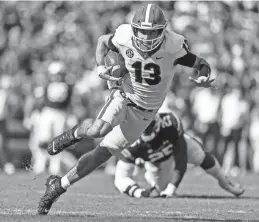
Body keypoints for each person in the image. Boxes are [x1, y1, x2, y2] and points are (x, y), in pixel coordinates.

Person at [38, 4, 215, 214]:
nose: (147, 37)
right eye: (142, 31)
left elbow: (201, 63)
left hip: (145, 113)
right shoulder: (124, 35)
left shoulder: (174, 45)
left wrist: (203, 75)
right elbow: (102, 42)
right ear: (134, 28)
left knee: (103, 154)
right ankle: (73, 134)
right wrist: (100, 67)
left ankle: (59, 185)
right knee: (97, 131)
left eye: (152, 32)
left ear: (162, 31)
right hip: (124, 94)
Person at [114, 112, 244, 198]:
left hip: (173, 149)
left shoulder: (170, 124)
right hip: (157, 163)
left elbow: (181, 158)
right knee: (160, 190)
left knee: (198, 154)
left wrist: (172, 187)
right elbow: (120, 178)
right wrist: (138, 192)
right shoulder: (132, 142)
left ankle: (225, 181)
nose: (147, 131)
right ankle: (150, 176)